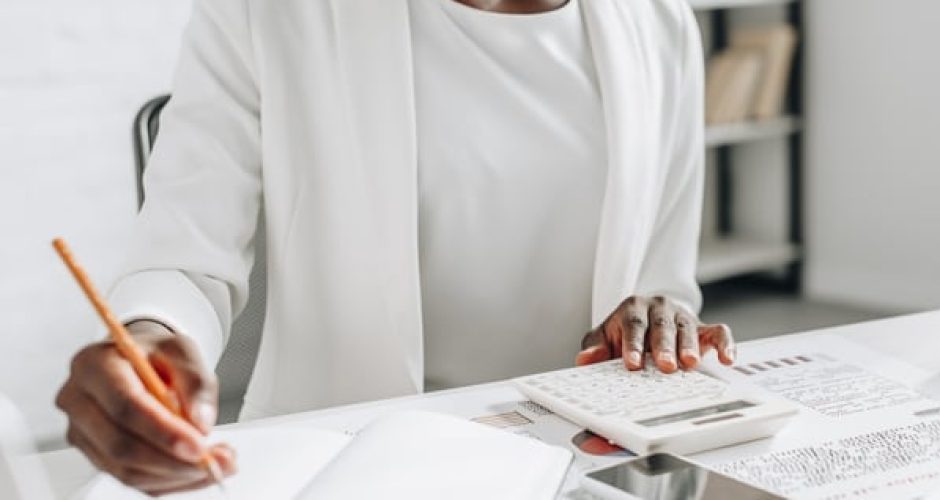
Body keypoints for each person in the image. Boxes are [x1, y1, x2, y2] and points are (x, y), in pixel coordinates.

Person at [54, 0, 735, 494]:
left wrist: (655, 316)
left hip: (572, 463)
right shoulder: (268, 12)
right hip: (350, 460)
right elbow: (184, 251)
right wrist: (146, 337)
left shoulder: (660, 25)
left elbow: (662, 279)